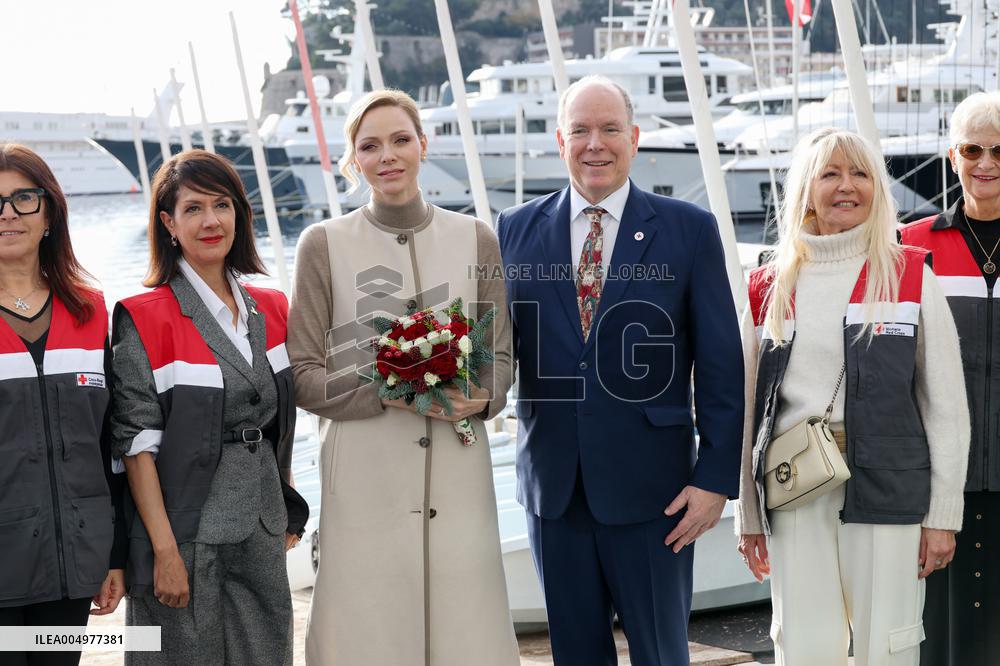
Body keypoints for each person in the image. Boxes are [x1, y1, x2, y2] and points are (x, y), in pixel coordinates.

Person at [496, 75, 744, 665]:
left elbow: (720, 364)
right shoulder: (513, 230)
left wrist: (714, 481)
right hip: (553, 492)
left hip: (655, 493)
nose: (595, 143)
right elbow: (495, 351)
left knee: (661, 653)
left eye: (609, 129)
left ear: (633, 139)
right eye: (580, 130)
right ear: (560, 141)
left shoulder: (688, 230)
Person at [287, 89, 518, 665]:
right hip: (363, 475)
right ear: (352, 161)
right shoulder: (323, 244)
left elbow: (500, 357)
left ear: (422, 145)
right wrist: (391, 387)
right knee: (366, 630)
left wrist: (481, 396)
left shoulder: (475, 238)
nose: (387, 155)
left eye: (399, 140)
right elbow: (303, 376)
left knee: (468, 626)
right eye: (370, 146)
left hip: (459, 471)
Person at [735, 127, 970, 666]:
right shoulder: (768, 285)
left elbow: (946, 407)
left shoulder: (909, 275)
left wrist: (942, 515)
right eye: (831, 174)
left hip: (890, 491)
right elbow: (748, 410)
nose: (847, 186)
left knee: (888, 644)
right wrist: (748, 514)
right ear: (806, 189)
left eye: (861, 173)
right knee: (804, 645)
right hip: (795, 490)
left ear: (877, 188)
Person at [110, 149, 308, 665]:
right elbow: (137, 446)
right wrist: (164, 552)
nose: (211, 220)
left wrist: (285, 501)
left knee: (267, 654)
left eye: (222, 204)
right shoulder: (143, 316)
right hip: (183, 530)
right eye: (193, 208)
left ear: (239, 214)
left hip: (262, 521)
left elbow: (279, 422)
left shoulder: (273, 308)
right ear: (168, 222)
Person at [0, 144, 126, 665]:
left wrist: (114, 554)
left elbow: (111, 442)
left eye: (22, 198)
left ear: (49, 211)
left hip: (75, 558)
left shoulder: (90, 309)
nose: (6, 213)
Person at [899, 91, 1000, 666]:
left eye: (998, 150)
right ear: (952, 156)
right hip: (940, 482)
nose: (985, 162)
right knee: (939, 637)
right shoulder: (913, 248)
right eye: (972, 149)